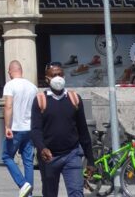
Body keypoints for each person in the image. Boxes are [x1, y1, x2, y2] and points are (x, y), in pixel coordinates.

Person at [30, 61, 94, 197]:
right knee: (50, 193)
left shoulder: (74, 99)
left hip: (72, 155)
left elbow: (83, 130)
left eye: (60, 74)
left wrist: (90, 160)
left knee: (77, 192)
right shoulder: (40, 100)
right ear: (47, 78)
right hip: (49, 158)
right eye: (54, 75)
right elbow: (35, 130)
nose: (58, 78)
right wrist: (42, 148)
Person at [2, 60, 38, 197]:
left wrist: (7, 126)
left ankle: (23, 184)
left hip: (15, 128)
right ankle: (29, 194)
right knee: (28, 161)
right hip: (29, 128)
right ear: (21, 70)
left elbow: (8, 106)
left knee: (6, 156)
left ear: (10, 71)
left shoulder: (10, 85)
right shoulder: (32, 87)